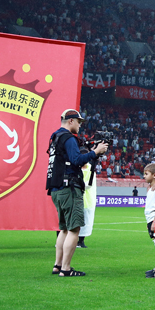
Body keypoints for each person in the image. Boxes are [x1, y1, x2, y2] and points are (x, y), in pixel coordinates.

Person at [47, 109, 108, 277]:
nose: (80, 125)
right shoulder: (68, 138)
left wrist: (91, 151)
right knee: (74, 229)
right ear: (71, 121)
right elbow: (77, 160)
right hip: (69, 188)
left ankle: (58, 265)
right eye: (79, 122)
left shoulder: (55, 137)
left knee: (64, 229)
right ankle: (66, 268)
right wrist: (95, 152)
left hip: (56, 188)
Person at [77, 147, 96, 249]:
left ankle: (81, 241)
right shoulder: (75, 168)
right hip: (76, 199)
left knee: (86, 222)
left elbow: (89, 184)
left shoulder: (91, 169)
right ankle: (74, 241)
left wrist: (78, 185)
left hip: (87, 200)